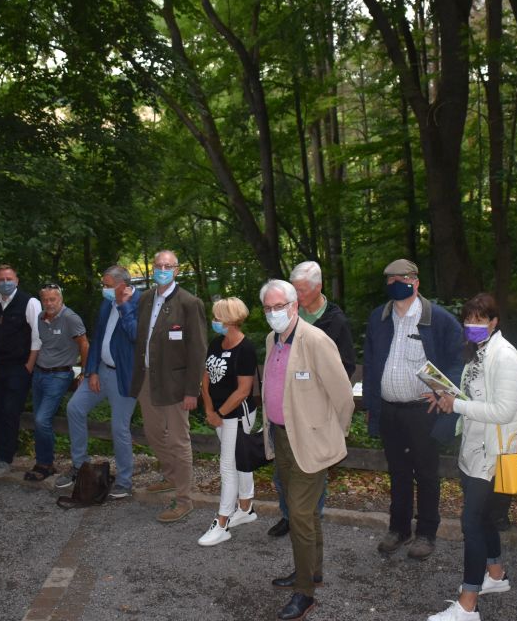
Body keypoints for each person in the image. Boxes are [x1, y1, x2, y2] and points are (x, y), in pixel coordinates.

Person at [425, 294, 517, 621]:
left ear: (493, 321)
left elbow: (502, 412)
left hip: (495, 453)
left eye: (479, 319)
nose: (472, 326)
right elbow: (472, 397)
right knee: (484, 518)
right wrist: (444, 395)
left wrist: (456, 405)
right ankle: (496, 575)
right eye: (468, 320)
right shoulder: (478, 354)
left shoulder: (505, 357)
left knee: (471, 522)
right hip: (476, 448)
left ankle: (468, 605)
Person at [260, 279, 354, 621]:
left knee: (298, 514)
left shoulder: (315, 340)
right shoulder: (272, 340)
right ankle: (310, 571)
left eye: (278, 307)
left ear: (294, 306)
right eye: (268, 309)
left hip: (311, 441)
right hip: (282, 439)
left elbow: (343, 396)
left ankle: (305, 593)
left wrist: (331, 435)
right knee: (306, 512)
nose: (273, 314)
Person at [362, 258, 463, 559]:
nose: (396, 284)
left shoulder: (439, 320)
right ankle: (399, 528)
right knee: (398, 471)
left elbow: (459, 361)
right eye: (391, 280)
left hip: (423, 411)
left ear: (416, 282)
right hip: (390, 409)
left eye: (403, 279)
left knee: (427, 473)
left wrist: (445, 393)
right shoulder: (378, 318)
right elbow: (369, 363)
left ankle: (427, 533)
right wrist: (371, 404)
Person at [266, 261, 355, 539]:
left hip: (315, 413)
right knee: (283, 476)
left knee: (312, 474)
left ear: (318, 288)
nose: (298, 294)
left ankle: (308, 522)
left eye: (302, 289)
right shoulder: (287, 317)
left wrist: (333, 422)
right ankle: (289, 515)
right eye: (294, 289)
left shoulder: (334, 321)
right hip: (287, 414)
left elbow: (345, 368)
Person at [130, 249, 208, 524]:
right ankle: (171, 476)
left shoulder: (189, 302)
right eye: (158, 265)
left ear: (176, 270)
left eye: (168, 265)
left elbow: (198, 350)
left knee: (177, 439)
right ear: (152, 268)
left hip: (176, 383)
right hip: (147, 378)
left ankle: (184, 499)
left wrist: (192, 390)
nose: (162, 269)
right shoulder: (146, 298)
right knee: (152, 433)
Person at [59, 265, 141, 498]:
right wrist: (92, 370)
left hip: (124, 375)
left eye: (107, 285)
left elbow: (136, 335)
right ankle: (80, 466)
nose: (103, 289)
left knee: (119, 427)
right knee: (74, 408)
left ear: (122, 286)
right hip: (101, 371)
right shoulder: (106, 303)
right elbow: (97, 339)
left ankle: (124, 482)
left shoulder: (141, 303)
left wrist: (124, 306)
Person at [197, 297, 259, 546]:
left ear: (231, 320)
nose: (214, 321)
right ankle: (245, 508)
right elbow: (206, 378)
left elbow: (243, 390)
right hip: (219, 413)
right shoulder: (216, 342)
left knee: (228, 465)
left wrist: (219, 413)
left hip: (236, 414)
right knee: (238, 460)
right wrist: (210, 409)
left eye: (217, 317)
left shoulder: (246, 349)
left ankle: (222, 522)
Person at [23, 283, 88, 482]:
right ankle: (44, 462)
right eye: (46, 300)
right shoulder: (41, 318)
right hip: (40, 374)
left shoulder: (70, 318)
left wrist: (84, 372)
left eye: (53, 299)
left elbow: (84, 344)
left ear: (61, 299)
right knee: (38, 419)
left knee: (42, 419)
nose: (49, 303)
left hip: (60, 375)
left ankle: (45, 463)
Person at [0, 264, 41, 478]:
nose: (5, 282)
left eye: (9, 278)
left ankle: (6, 459)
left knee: (10, 411)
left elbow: (37, 336)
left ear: (16, 280)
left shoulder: (30, 302)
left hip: (20, 367)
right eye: (1, 279)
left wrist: (28, 366)